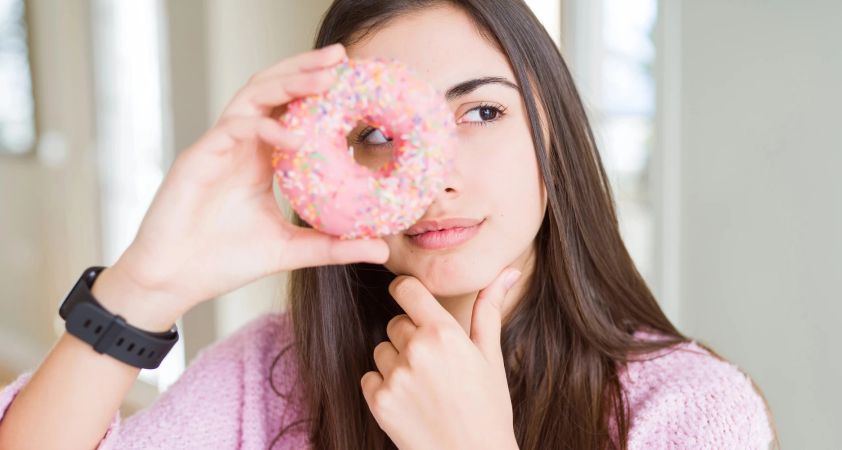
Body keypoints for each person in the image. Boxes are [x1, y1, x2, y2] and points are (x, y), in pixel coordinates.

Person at [0, 1, 777, 448]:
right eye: (377, 136)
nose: (436, 175)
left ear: (555, 136)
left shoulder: (688, 412)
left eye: (481, 111)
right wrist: (145, 287)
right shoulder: (273, 376)